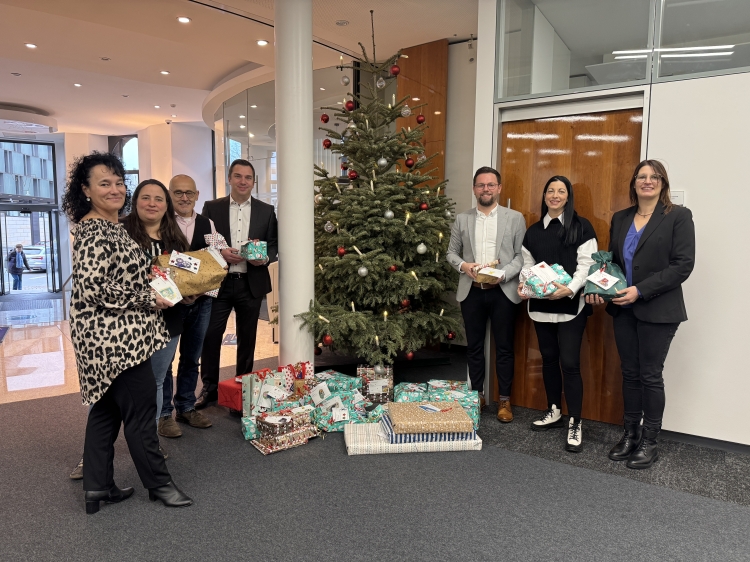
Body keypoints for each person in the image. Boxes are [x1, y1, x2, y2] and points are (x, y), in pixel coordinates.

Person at [61, 152, 191, 513]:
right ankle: (160, 485)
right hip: (115, 342)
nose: (115, 189)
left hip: (116, 338)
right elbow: (93, 288)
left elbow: (118, 277)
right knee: (140, 412)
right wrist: (148, 296)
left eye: (118, 182)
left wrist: (152, 280)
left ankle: (97, 487)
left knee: (105, 411)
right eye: (104, 183)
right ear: (86, 190)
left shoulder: (111, 227)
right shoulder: (93, 231)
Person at [586, 159, 695, 469]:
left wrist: (641, 290)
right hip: (623, 309)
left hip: (658, 309)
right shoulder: (621, 218)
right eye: (642, 177)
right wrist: (599, 286)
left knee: (650, 375)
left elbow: (682, 265)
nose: (648, 181)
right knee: (630, 374)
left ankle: (650, 441)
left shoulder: (678, 217)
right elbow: (611, 264)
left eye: (654, 176)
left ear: (663, 183)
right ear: (633, 183)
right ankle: (630, 434)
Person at [518, 176, 597, 452]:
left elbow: (587, 265)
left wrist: (571, 289)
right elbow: (527, 266)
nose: (555, 195)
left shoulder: (581, 226)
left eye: (560, 191)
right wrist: (525, 283)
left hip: (571, 306)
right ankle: (554, 410)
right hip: (540, 307)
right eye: (550, 190)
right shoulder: (533, 231)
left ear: (568, 196)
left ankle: (575, 420)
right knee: (549, 359)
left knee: (570, 363)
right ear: (544, 196)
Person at [195, 159, 278, 409]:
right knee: (210, 336)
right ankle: (209, 389)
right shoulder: (212, 208)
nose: (243, 181)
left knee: (247, 337)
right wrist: (221, 254)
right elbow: (204, 241)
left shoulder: (266, 210)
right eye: (238, 176)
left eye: (248, 178)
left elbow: (273, 244)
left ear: (254, 182)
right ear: (229, 179)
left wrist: (262, 259)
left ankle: (243, 386)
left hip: (250, 283)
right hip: (219, 283)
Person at [447, 166, 526, 422]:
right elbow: (452, 253)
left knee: (504, 348)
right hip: (472, 290)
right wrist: (464, 266)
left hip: (503, 291)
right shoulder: (462, 219)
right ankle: (476, 396)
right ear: (474, 189)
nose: (486, 189)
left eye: (491, 185)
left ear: (499, 188)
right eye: (481, 185)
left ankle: (504, 400)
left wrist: (504, 274)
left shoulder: (515, 218)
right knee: (474, 347)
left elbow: (520, 256)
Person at [122, 179, 199, 438]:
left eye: (158, 199)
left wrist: (188, 295)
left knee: (156, 380)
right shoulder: (119, 233)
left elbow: (185, 280)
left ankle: (149, 441)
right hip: (126, 322)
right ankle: (95, 455)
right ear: (135, 202)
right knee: (116, 386)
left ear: (166, 205)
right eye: (146, 198)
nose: (152, 203)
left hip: (167, 322)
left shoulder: (174, 239)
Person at [157, 174, 216, 438]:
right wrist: (179, 293)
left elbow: (214, 263)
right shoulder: (160, 223)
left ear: (197, 195)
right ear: (170, 195)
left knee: (192, 357)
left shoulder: (208, 224)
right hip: (169, 304)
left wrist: (200, 290)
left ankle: (186, 406)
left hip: (201, 303)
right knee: (165, 360)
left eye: (189, 193)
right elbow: (157, 263)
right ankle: (164, 415)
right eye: (178, 192)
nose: (184, 198)